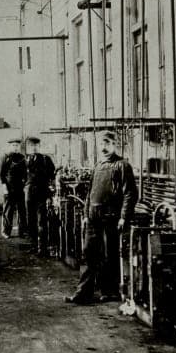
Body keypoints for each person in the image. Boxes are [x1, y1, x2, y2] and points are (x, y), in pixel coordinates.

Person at [65, 130, 138, 305]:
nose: (104, 147)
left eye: (107, 143)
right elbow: (90, 194)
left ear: (114, 145)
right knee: (89, 254)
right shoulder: (98, 166)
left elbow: (130, 194)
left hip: (111, 218)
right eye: (102, 144)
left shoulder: (122, 165)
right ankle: (83, 293)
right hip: (93, 218)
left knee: (109, 256)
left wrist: (123, 217)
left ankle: (109, 291)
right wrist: (85, 215)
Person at [24, 137, 56, 256]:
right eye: (32, 146)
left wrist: (50, 193)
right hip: (29, 194)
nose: (34, 148)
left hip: (42, 193)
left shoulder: (45, 159)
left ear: (39, 146)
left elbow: (52, 176)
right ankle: (33, 245)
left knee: (42, 220)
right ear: (29, 148)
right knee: (30, 220)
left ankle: (42, 248)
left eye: (36, 145)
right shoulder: (25, 160)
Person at [0, 136, 27, 239]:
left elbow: (25, 173)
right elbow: (2, 174)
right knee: (8, 211)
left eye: (17, 145)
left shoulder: (22, 158)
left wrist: (24, 183)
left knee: (22, 211)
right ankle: (6, 232)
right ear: (10, 146)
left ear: (19, 147)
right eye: (13, 145)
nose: (15, 147)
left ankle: (22, 232)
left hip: (20, 188)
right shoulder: (6, 157)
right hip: (9, 188)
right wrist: (4, 187)